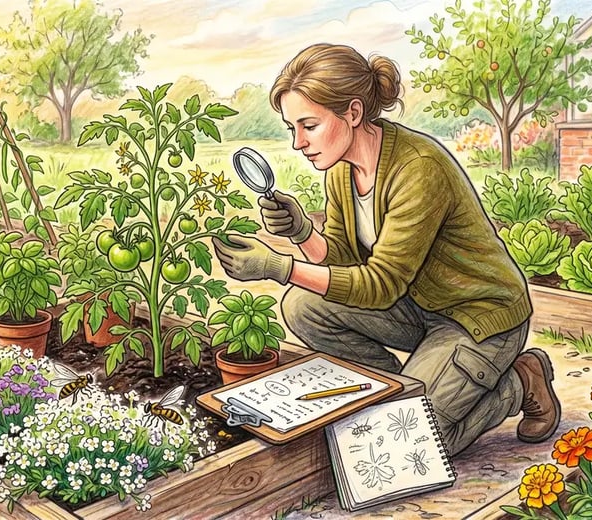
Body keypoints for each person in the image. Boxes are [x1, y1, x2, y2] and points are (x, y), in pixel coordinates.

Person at [211, 43, 560, 456]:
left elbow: (379, 285)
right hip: (416, 307)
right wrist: (303, 230)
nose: (298, 143)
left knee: (409, 446)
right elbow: (344, 261)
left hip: (479, 318)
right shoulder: (341, 170)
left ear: (353, 113)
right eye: (292, 128)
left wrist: (277, 266)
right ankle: (399, 392)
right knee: (302, 306)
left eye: (309, 125)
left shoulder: (418, 168)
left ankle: (520, 381)